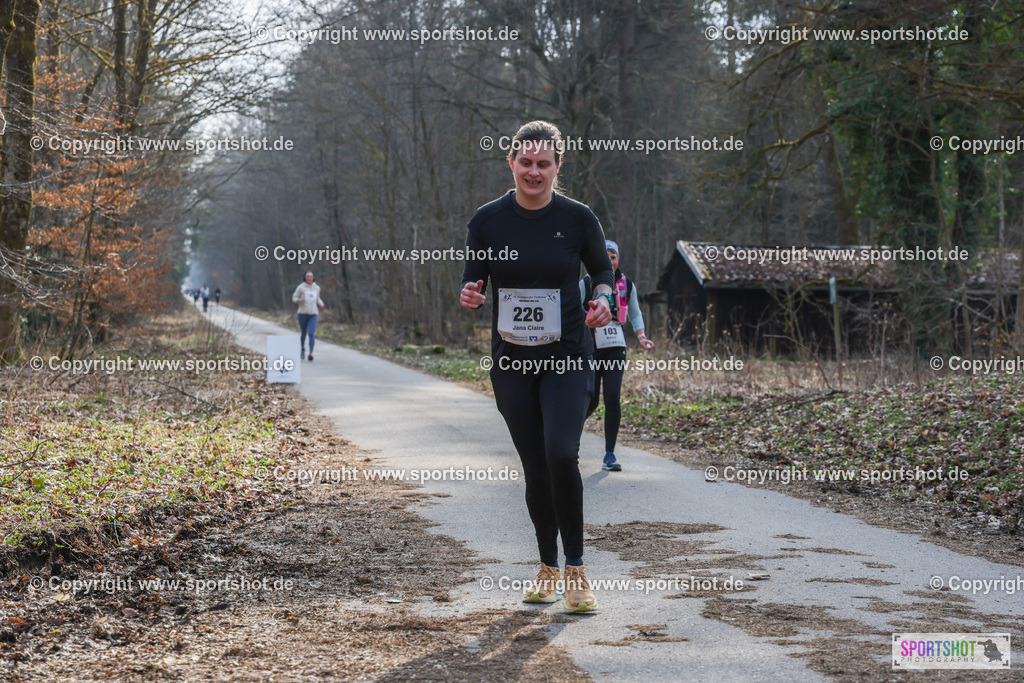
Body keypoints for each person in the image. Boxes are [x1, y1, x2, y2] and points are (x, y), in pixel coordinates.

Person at [461, 120, 614, 613]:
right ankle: (546, 566)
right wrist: (470, 293)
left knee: (559, 453)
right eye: (525, 162)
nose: (533, 170)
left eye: (543, 163)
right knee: (534, 466)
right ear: (511, 163)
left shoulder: (578, 218)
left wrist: (605, 297)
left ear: (557, 166)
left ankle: (577, 570)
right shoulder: (487, 221)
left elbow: (603, 272)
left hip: (567, 354)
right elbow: (473, 279)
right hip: (511, 360)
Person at [580, 240, 655, 472]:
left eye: (613, 256)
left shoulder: (626, 284)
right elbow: (572, 306)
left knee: (612, 397)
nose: (610, 260)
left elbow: (635, 313)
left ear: (617, 259)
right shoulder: (586, 282)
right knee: (590, 398)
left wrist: (641, 336)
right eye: (605, 255)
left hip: (615, 345)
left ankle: (609, 454)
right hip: (590, 345)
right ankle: (563, 438)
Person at [292, 272, 324, 361]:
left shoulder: (317, 288)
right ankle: (302, 348)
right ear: (305, 278)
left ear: (313, 278)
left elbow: (318, 298)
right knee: (303, 332)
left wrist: (321, 303)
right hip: (302, 313)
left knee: (311, 333)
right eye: (307, 276)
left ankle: (311, 353)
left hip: (313, 314)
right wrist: (299, 300)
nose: (309, 278)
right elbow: (294, 298)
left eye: (311, 276)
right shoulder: (300, 287)